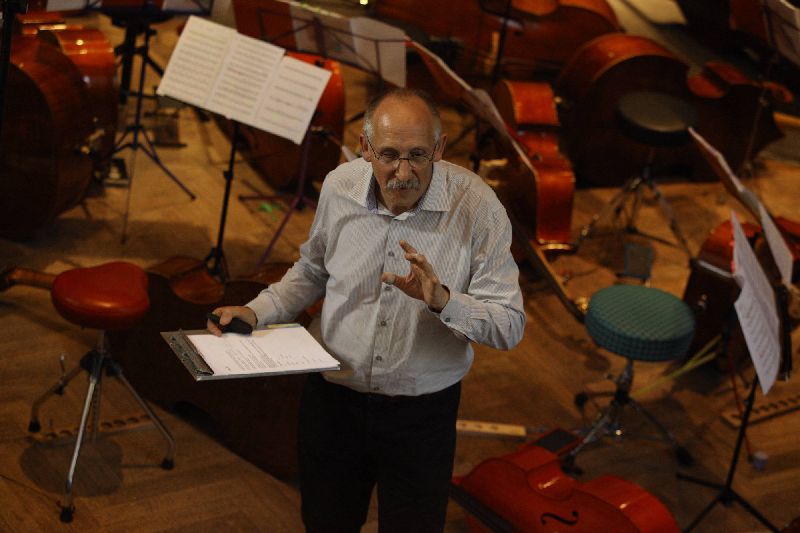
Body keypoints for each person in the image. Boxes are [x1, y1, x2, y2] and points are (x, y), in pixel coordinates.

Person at [208, 88, 525, 532]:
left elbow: (509, 326)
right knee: (326, 523)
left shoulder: (477, 208)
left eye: (418, 155)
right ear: (365, 147)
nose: (403, 172)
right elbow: (312, 270)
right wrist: (257, 311)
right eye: (389, 155)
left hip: (421, 416)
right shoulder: (340, 186)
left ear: (439, 148)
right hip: (333, 402)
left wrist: (444, 301)